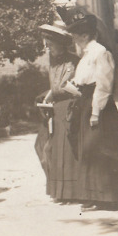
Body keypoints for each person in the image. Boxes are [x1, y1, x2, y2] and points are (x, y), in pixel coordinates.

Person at [60, 8, 118, 211]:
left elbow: (104, 85)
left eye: (75, 35)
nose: (73, 39)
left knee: (103, 149)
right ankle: (96, 196)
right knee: (89, 151)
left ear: (85, 35)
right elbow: (83, 82)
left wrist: (96, 112)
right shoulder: (86, 54)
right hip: (86, 103)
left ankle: (112, 197)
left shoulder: (100, 53)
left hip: (100, 108)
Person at [34, 21, 80, 203]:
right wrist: (47, 96)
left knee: (64, 150)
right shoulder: (52, 61)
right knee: (43, 146)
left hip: (70, 108)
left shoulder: (74, 61)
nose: (48, 48)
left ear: (61, 44)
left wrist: (55, 93)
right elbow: (54, 86)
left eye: (51, 44)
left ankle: (68, 192)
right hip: (54, 109)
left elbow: (72, 86)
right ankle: (58, 190)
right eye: (47, 44)